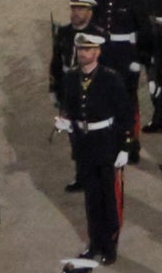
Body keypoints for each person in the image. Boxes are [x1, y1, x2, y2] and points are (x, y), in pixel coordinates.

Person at [56, 31, 134, 261]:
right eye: (80, 49)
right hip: (84, 144)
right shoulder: (71, 77)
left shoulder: (111, 78)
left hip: (107, 142)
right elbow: (69, 106)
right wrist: (67, 123)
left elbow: (124, 114)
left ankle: (110, 246)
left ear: (98, 52)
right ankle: (95, 242)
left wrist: (125, 147)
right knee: (91, 198)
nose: (83, 53)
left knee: (109, 198)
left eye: (88, 50)